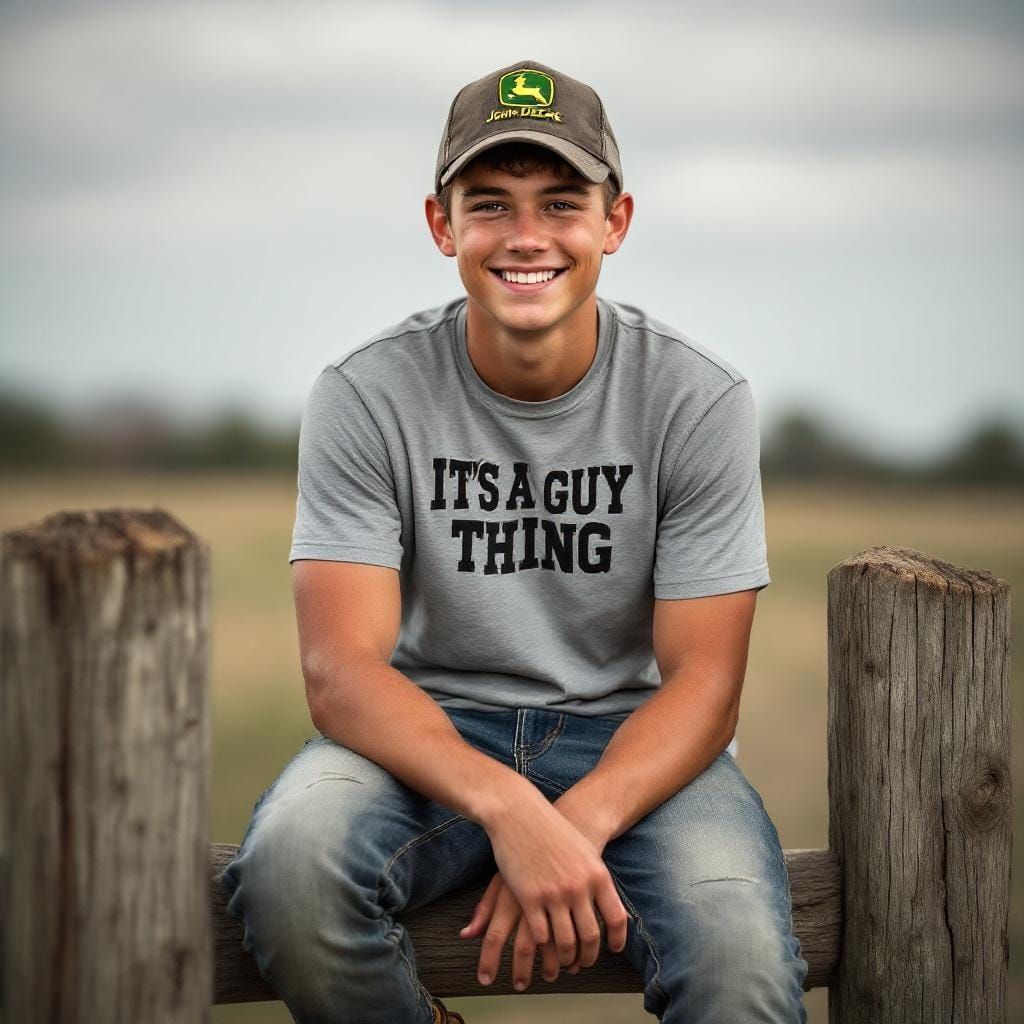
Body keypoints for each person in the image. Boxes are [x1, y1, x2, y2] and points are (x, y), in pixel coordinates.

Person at [221, 59, 809, 1024]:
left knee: (741, 968)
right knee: (290, 869)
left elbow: (705, 682)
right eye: (489, 204)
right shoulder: (365, 393)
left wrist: (571, 825)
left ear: (614, 223)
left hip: (636, 741)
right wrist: (508, 807)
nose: (526, 237)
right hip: (435, 729)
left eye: (562, 203)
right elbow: (340, 670)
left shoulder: (699, 399)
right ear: (440, 224)